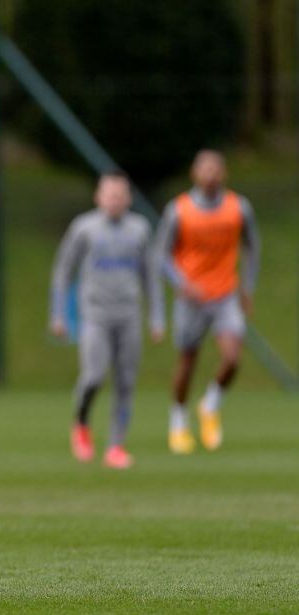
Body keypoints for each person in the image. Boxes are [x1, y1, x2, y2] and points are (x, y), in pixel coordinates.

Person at [49, 172, 164, 469]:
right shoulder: (84, 228)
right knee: (94, 376)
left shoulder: (139, 229)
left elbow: (150, 275)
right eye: (109, 194)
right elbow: (63, 271)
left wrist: (156, 317)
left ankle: (116, 446)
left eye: (120, 194)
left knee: (125, 382)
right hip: (95, 315)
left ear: (128, 198)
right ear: (98, 197)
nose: (114, 200)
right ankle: (82, 422)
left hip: (128, 316)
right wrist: (58, 314)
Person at [155, 150, 259, 454]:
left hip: (225, 294)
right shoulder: (179, 210)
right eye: (205, 168)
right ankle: (178, 422)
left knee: (232, 358)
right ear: (194, 173)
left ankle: (210, 405)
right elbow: (161, 254)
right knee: (187, 361)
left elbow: (253, 247)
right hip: (193, 298)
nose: (210, 174)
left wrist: (247, 287)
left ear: (223, 174)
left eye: (216, 168)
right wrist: (181, 283)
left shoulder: (238, 208)